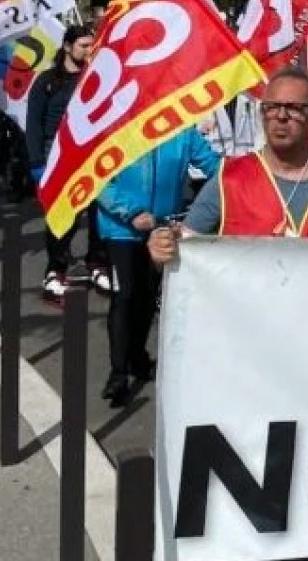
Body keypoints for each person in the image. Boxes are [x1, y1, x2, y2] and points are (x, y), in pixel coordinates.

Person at [147, 66, 308, 265]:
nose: (281, 116)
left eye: (294, 108)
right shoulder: (230, 178)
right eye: (272, 107)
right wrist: (163, 246)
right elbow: (181, 251)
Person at [94, 126, 220, 407]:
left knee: (148, 298)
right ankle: (118, 373)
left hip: (161, 228)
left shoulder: (182, 131)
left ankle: (138, 357)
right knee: (125, 295)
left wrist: (246, 173)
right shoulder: (115, 127)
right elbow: (97, 179)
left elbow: (216, 167)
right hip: (120, 229)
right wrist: (131, 211)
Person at [28, 25, 111, 301]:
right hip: (58, 152)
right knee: (64, 215)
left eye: (91, 46)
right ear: (67, 47)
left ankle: (97, 262)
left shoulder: (95, 77)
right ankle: (55, 269)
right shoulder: (47, 81)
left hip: (92, 150)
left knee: (99, 210)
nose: (88, 51)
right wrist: (37, 163)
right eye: (83, 46)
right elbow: (33, 125)